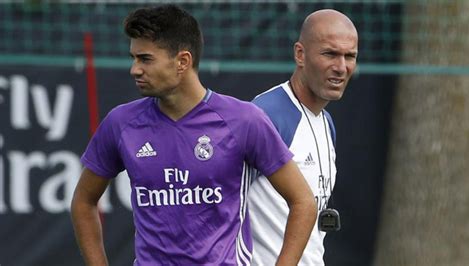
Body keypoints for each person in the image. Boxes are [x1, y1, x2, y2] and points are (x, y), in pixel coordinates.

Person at [70, 4, 317, 266]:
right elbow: (83, 201)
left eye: (145, 59)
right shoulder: (121, 123)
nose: (135, 69)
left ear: (183, 61)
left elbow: (303, 201)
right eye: (134, 58)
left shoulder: (244, 120)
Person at [248, 9, 358, 266]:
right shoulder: (264, 115)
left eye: (349, 56)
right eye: (330, 54)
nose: (341, 67)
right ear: (300, 54)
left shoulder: (326, 122)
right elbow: (217, 202)